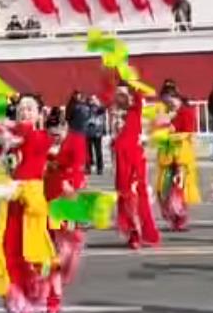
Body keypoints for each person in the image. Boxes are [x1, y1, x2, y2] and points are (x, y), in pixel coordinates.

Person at [0, 95, 56, 313]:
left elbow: (27, 137)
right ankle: (20, 308)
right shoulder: (9, 140)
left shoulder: (41, 137)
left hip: (32, 201)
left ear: (39, 115)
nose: (25, 112)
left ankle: (33, 302)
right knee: (9, 251)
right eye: (21, 109)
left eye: (30, 109)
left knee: (32, 255)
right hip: (13, 200)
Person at [43, 107, 88, 313]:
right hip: (49, 199)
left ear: (66, 127)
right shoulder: (43, 143)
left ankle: (61, 276)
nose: (55, 137)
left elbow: (79, 167)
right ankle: (54, 296)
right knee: (55, 249)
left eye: (59, 132)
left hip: (69, 199)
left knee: (72, 245)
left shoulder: (76, 141)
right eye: (51, 133)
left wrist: (71, 183)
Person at [112, 84, 161, 249]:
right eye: (118, 94)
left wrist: (132, 83)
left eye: (123, 94)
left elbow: (144, 92)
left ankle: (144, 233)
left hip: (134, 160)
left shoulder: (135, 109)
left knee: (137, 196)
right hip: (121, 161)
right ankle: (132, 233)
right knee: (124, 196)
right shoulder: (117, 114)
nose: (119, 97)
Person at [154, 93, 200, 232]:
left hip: (181, 156)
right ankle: (171, 217)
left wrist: (172, 131)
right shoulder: (163, 114)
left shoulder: (186, 113)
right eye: (168, 100)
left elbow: (188, 133)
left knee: (180, 189)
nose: (171, 103)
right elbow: (158, 133)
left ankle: (180, 219)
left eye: (173, 99)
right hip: (167, 156)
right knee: (165, 189)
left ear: (179, 100)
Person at [84, 95, 107, 175]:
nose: (91, 100)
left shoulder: (99, 107)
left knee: (98, 151)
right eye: (90, 99)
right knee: (87, 151)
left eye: (93, 99)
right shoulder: (85, 107)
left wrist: (103, 130)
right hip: (87, 132)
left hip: (97, 132)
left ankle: (99, 168)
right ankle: (88, 167)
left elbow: (103, 112)